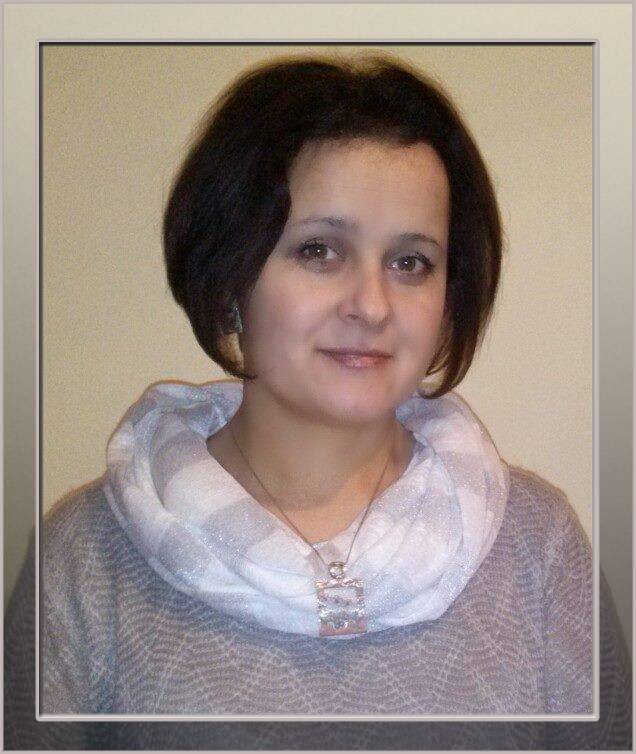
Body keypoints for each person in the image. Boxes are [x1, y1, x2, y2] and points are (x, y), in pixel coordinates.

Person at [5, 52, 631, 748]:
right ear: (231, 277)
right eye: (319, 251)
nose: (371, 305)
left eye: (410, 262)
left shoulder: (537, 548)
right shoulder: (88, 560)